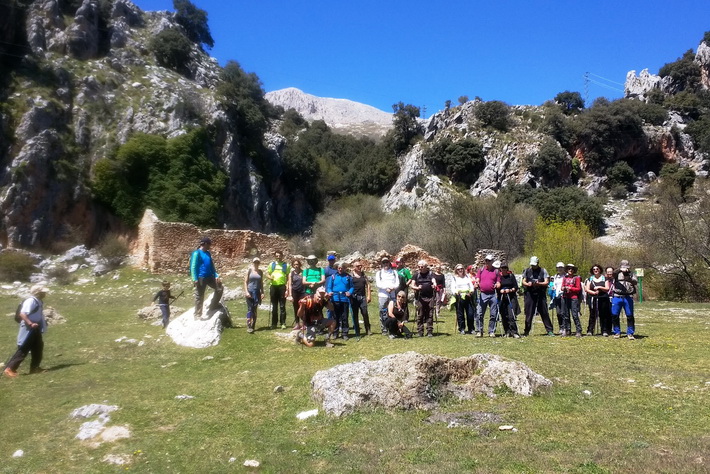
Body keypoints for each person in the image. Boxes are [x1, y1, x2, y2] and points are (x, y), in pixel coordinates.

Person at [4, 284, 49, 377]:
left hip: (36, 327)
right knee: (24, 348)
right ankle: (10, 368)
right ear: (38, 293)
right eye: (43, 292)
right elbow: (22, 314)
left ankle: (35, 368)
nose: (45, 293)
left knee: (38, 347)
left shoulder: (38, 301)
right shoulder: (31, 301)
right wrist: (30, 323)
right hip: (29, 328)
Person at [521, 256, 555, 336]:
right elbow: (523, 281)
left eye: (534, 265)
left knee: (544, 312)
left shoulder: (543, 271)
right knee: (529, 313)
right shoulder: (527, 270)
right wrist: (528, 284)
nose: (533, 266)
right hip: (530, 294)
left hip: (540, 293)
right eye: (532, 265)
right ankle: (526, 331)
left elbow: (546, 282)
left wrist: (539, 283)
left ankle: (549, 330)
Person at [190, 237, 222, 320]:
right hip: (201, 277)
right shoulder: (197, 253)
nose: (210, 246)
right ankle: (197, 314)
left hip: (209, 276)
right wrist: (194, 278)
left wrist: (216, 275)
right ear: (205, 244)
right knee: (199, 296)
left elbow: (212, 266)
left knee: (220, 288)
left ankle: (213, 305)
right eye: (209, 244)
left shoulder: (208, 253)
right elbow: (193, 267)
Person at [611, 260, 638, 339]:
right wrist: (620, 270)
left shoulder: (632, 274)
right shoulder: (617, 273)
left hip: (628, 297)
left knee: (629, 315)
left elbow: (635, 282)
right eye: (623, 267)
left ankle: (630, 333)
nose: (625, 269)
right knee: (615, 315)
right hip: (617, 296)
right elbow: (612, 274)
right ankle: (617, 332)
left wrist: (628, 278)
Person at [476, 255, 501, 337]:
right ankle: (479, 330)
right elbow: (477, 279)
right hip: (483, 294)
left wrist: (497, 284)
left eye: (489, 261)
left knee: (493, 313)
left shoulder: (496, 271)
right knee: (480, 313)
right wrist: (476, 283)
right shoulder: (481, 270)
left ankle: (491, 331)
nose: (487, 262)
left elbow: (498, 282)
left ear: (492, 261)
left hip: (493, 294)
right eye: (486, 260)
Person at [327, 263, 354, 340]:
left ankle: (345, 333)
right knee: (336, 317)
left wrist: (349, 292)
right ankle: (335, 332)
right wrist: (329, 292)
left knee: (344, 316)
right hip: (335, 299)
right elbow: (329, 287)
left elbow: (352, 287)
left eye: (342, 268)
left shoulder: (348, 277)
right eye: (339, 268)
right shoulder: (333, 277)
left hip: (344, 299)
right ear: (337, 268)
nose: (340, 269)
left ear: (345, 268)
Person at [410, 260, 437, 337]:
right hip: (420, 297)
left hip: (430, 297)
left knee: (430, 314)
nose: (420, 268)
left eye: (422, 267)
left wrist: (434, 285)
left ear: (426, 267)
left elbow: (434, 281)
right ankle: (420, 331)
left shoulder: (430, 274)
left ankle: (429, 331)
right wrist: (417, 288)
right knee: (420, 315)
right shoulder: (416, 275)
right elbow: (412, 285)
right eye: (419, 267)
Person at [266, 250, 290, 329]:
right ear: (275, 256)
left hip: (282, 287)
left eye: (279, 255)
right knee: (274, 306)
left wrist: (287, 288)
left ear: (282, 256)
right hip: (273, 286)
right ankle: (274, 324)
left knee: (282, 306)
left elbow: (287, 277)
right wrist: (270, 277)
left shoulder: (286, 265)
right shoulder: (271, 264)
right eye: (276, 256)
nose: (278, 257)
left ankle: (283, 323)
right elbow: (267, 274)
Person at [584, 264, 611, 336]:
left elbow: (607, 288)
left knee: (603, 314)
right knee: (592, 314)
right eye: (594, 269)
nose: (595, 270)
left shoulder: (604, 278)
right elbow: (587, 289)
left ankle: (604, 330)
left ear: (600, 270)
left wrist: (599, 287)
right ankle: (590, 330)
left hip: (603, 298)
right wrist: (593, 292)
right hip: (593, 298)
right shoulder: (590, 279)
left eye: (597, 269)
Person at [376, 256, 399, 334]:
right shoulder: (379, 273)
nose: (385, 264)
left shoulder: (394, 272)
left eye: (387, 262)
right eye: (384, 262)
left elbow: (397, 283)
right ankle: (384, 328)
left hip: (392, 295)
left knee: (392, 311)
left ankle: (392, 328)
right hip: (383, 295)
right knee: (383, 312)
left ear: (389, 263)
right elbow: (378, 284)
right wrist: (386, 288)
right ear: (382, 264)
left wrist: (393, 288)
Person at [497, 262, 521, 338]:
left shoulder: (511, 276)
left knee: (511, 315)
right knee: (504, 315)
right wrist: (500, 290)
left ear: (507, 269)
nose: (503, 270)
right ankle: (507, 331)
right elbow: (497, 287)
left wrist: (510, 290)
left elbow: (516, 287)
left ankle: (514, 332)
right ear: (500, 269)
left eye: (505, 268)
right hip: (502, 298)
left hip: (511, 297)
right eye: (502, 268)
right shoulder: (499, 277)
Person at [349, 260, 372, 336]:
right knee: (355, 314)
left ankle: (368, 329)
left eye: (360, 266)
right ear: (354, 267)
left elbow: (368, 285)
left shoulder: (363, 275)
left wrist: (369, 295)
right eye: (357, 266)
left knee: (365, 313)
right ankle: (357, 330)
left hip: (362, 297)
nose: (359, 267)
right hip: (354, 297)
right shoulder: (351, 276)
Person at [451, 264, 475, 334]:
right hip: (459, 297)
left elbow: (471, 286)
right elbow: (453, 288)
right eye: (458, 269)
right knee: (460, 314)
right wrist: (456, 292)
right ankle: (462, 328)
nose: (460, 270)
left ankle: (471, 328)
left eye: (461, 268)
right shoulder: (454, 278)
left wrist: (471, 291)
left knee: (470, 313)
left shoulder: (467, 276)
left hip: (468, 296)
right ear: (456, 270)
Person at [560, 263, 583, 337]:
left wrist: (570, 288)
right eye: (569, 269)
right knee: (566, 315)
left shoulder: (577, 278)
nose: (570, 270)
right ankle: (568, 329)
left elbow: (578, 289)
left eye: (572, 269)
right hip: (565, 297)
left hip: (574, 298)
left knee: (574, 314)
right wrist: (564, 288)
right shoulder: (565, 278)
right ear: (567, 270)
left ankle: (578, 330)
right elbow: (562, 287)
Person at [244, 258, 264, 334]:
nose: (256, 263)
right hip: (249, 291)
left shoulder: (260, 272)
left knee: (255, 309)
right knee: (250, 308)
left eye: (258, 262)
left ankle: (253, 325)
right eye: (255, 262)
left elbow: (261, 283)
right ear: (253, 262)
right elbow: (245, 282)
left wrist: (262, 292)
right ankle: (249, 325)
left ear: (259, 263)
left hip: (257, 292)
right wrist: (246, 291)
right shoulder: (249, 271)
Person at [287, 259, 305, 328]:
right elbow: (290, 285)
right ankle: (297, 323)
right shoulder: (291, 274)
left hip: (302, 292)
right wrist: (290, 295)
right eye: (294, 264)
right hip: (295, 292)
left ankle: (304, 322)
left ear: (300, 265)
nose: (296, 266)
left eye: (297, 264)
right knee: (296, 308)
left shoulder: (303, 272)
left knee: (302, 307)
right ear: (293, 265)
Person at [550, 262, 566, 334]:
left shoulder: (566, 276)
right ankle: (560, 326)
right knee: (558, 312)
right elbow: (553, 285)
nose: (560, 269)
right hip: (556, 296)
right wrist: (553, 287)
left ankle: (564, 327)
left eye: (561, 267)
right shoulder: (555, 276)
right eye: (558, 267)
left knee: (563, 312)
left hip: (563, 295)